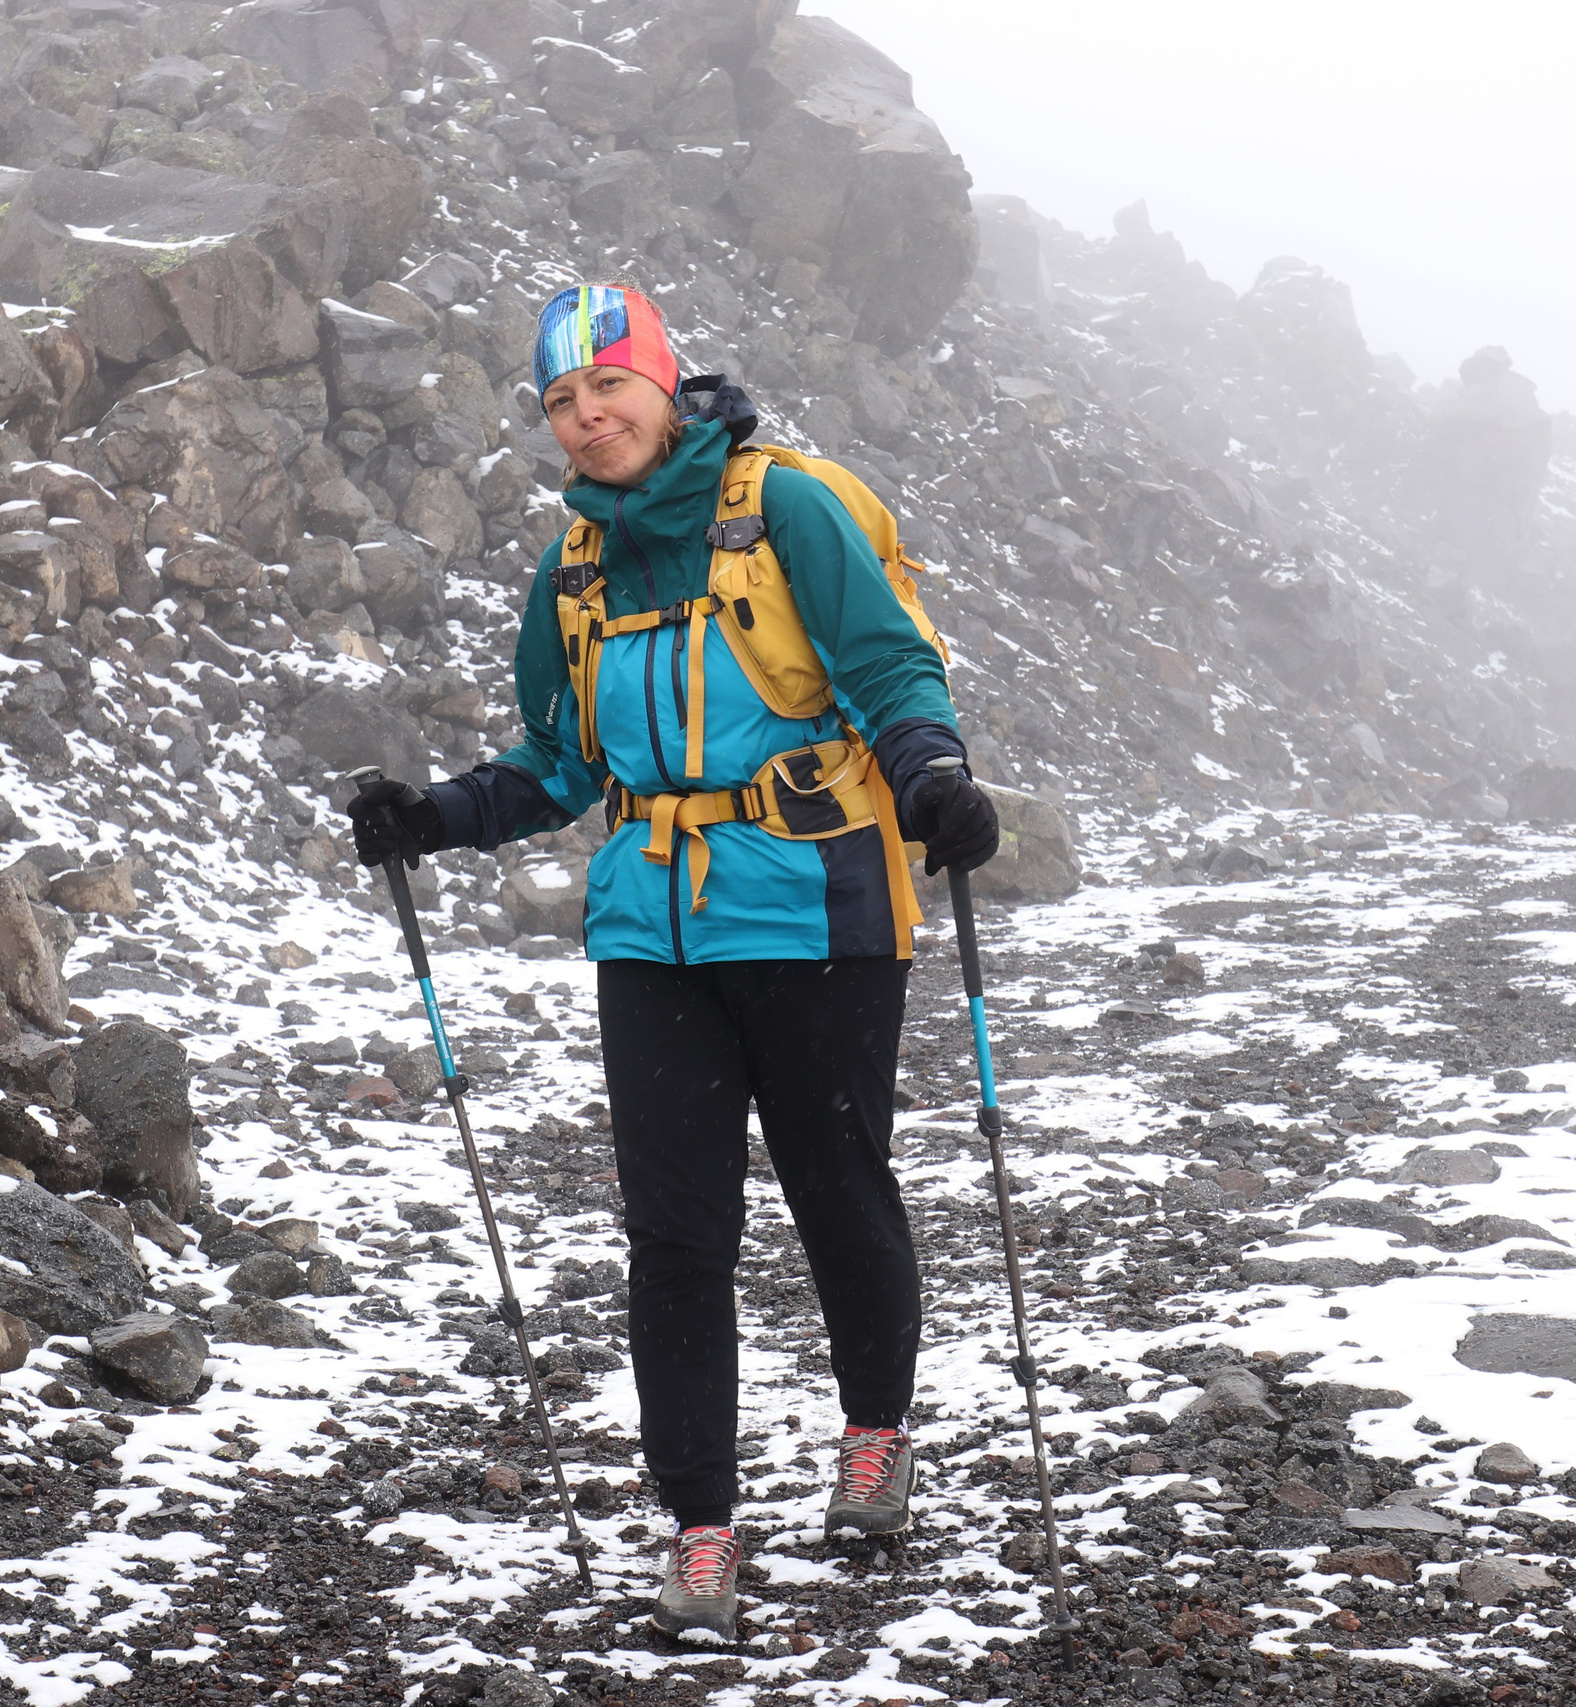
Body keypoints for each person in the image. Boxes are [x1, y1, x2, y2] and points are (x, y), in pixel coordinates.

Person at [346, 283, 999, 1642]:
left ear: (665, 382)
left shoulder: (789, 508)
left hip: (820, 906)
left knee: (837, 1187)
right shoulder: (573, 570)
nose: (587, 418)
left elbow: (887, 670)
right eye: (561, 404)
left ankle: (876, 1434)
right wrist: (439, 816)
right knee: (678, 1237)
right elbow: (559, 761)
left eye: (608, 389)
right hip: (653, 930)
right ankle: (702, 1528)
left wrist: (933, 779)